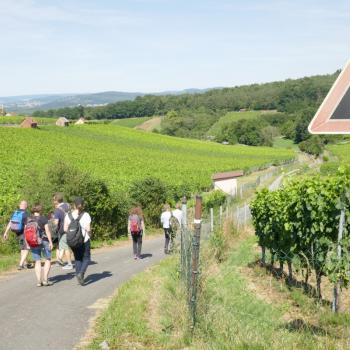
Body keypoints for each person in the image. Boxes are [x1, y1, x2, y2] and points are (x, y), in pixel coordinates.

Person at [64, 197, 91, 286]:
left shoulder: (68, 215)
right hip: (84, 240)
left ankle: (78, 275)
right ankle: (81, 273)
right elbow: (88, 228)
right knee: (86, 258)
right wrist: (90, 234)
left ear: (74, 205)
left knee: (77, 258)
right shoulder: (86, 215)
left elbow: (65, 229)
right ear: (83, 205)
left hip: (72, 241)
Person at [27, 204, 54, 286]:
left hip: (33, 242)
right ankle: (45, 280)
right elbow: (47, 231)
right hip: (44, 241)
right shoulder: (43, 218)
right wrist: (51, 242)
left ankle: (39, 281)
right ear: (40, 210)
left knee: (37, 261)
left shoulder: (28, 219)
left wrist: (27, 243)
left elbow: (26, 232)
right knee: (48, 259)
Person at [3, 200, 30, 270]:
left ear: (19, 205)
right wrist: (27, 235)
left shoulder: (15, 212)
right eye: (26, 204)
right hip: (23, 233)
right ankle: (21, 264)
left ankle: (25, 263)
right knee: (26, 248)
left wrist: (6, 232)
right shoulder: (26, 213)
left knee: (22, 248)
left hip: (17, 233)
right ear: (26, 206)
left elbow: (10, 223)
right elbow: (26, 226)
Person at [52, 193, 72, 270]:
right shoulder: (68, 205)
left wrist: (52, 221)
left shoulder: (57, 210)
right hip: (71, 227)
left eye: (54, 200)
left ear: (57, 200)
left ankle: (69, 263)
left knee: (65, 246)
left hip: (64, 230)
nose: (53, 201)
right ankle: (59, 260)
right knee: (64, 245)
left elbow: (56, 223)